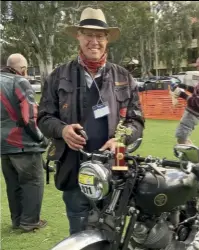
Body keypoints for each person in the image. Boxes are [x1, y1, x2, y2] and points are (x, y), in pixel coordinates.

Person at [37, 7, 144, 235]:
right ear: (79, 36)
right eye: (88, 34)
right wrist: (62, 130)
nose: (93, 41)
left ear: (107, 40)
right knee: (78, 231)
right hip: (74, 168)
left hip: (116, 165)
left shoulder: (124, 77)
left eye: (99, 36)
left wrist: (120, 141)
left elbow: (137, 121)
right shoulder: (58, 76)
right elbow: (44, 117)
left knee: (112, 232)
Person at [1, 53, 47, 232]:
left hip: (3, 145)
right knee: (32, 181)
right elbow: (29, 117)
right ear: (23, 69)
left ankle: (17, 220)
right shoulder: (19, 81)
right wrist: (40, 137)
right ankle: (30, 222)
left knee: (13, 184)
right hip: (22, 143)